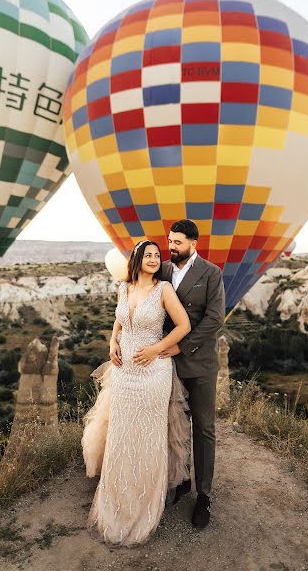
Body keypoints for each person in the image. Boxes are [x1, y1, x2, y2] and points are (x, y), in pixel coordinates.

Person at [81, 240, 192, 547]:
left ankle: (143, 506)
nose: (155, 258)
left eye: (158, 255)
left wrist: (157, 349)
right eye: (149, 255)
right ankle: (114, 501)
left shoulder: (164, 290)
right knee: (120, 433)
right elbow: (119, 321)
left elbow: (183, 325)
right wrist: (112, 342)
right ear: (137, 260)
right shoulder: (124, 288)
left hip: (152, 373)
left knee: (147, 436)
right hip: (123, 371)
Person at [161, 219, 225, 529]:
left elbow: (214, 319)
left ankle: (204, 496)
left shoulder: (211, 273)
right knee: (172, 425)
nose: (171, 247)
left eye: (177, 243)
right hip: (167, 363)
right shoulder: (161, 269)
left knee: (203, 427)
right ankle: (179, 479)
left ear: (193, 244)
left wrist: (182, 347)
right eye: (169, 241)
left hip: (198, 363)